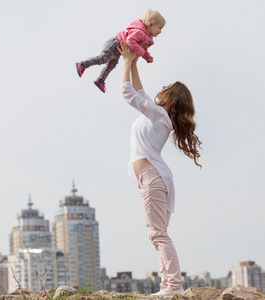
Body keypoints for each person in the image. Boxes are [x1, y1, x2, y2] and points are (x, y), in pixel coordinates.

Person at [118, 42, 202, 296]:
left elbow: (127, 93)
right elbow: (140, 93)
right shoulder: (156, 114)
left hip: (152, 177)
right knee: (158, 234)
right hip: (153, 177)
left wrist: (125, 64)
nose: (162, 86)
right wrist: (133, 62)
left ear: (172, 97)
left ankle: (174, 286)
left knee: (158, 235)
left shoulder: (159, 116)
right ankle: (169, 286)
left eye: (168, 87)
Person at [76, 9, 165, 93]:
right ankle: (82, 64)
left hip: (119, 50)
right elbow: (130, 41)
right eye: (160, 28)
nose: (161, 31)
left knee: (112, 64)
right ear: (150, 25)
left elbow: (143, 49)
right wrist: (139, 50)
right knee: (103, 59)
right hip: (115, 44)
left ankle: (100, 80)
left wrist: (147, 57)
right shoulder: (139, 32)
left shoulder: (147, 38)